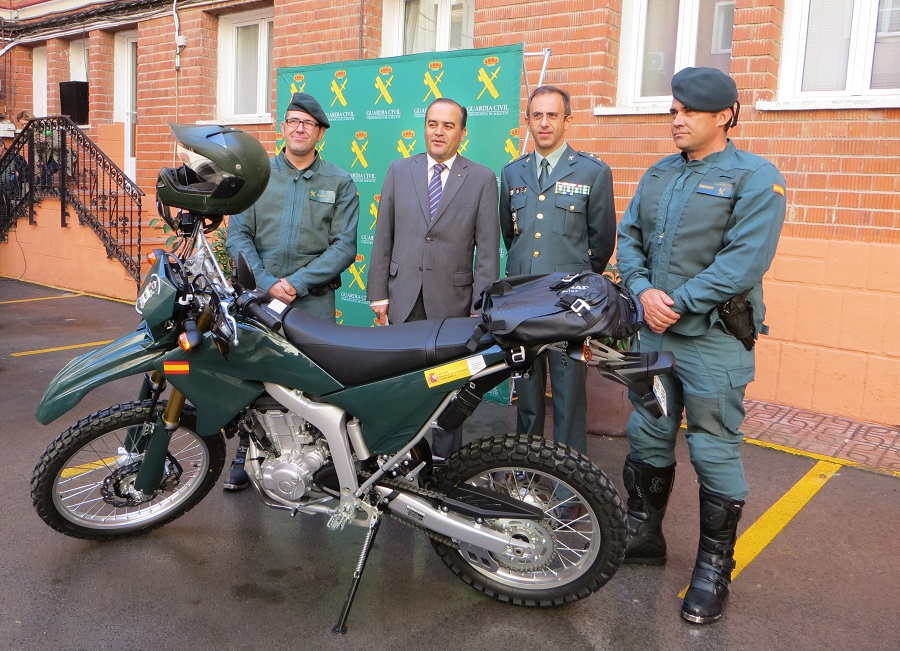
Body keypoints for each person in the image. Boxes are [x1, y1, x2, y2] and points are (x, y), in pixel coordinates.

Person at [615, 67, 786, 624]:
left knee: (713, 447)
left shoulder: (755, 178)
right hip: (652, 335)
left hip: (711, 341)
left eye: (689, 111)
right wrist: (641, 291)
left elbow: (745, 260)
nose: (677, 120)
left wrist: (677, 301)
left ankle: (714, 570)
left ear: (725, 116)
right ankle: (644, 534)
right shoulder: (659, 174)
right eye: (672, 110)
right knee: (648, 432)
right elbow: (629, 238)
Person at [224, 92, 360, 490]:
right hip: (257, 299)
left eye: (309, 124)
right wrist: (267, 284)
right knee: (254, 378)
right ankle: (245, 455)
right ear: (283, 127)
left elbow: (344, 247)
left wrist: (295, 284)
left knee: (314, 382)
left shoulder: (340, 181)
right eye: (293, 121)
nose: (300, 128)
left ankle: (315, 460)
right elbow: (239, 235)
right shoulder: (258, 176)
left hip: (312, 301)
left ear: (320, 133)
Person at [367, 97, 500, 458]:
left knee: (448, 390)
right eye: (432, 123)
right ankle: (398, 459)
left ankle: (444, 465)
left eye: (448, 125)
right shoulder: (399, 170)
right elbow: (383, 237)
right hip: (402, 298)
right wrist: (378, 294)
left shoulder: (482, 178)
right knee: (399, 387)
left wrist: (480, 307)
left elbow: (487, 251)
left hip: (452, 306)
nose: (438, 132)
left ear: (462, 133)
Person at [498, 85, 616, 458]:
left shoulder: (592, 171)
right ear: (528, 121)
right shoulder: (512, 173)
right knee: (527, 392)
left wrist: (578, 280)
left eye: (552, 115)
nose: (544, 123)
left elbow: (602, 240)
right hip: (523, 303)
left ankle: (570, 483)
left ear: (567, 120)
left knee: (568, 394)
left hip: (568, 305)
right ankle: (526, 473)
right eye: (537, 115)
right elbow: (509, 234)